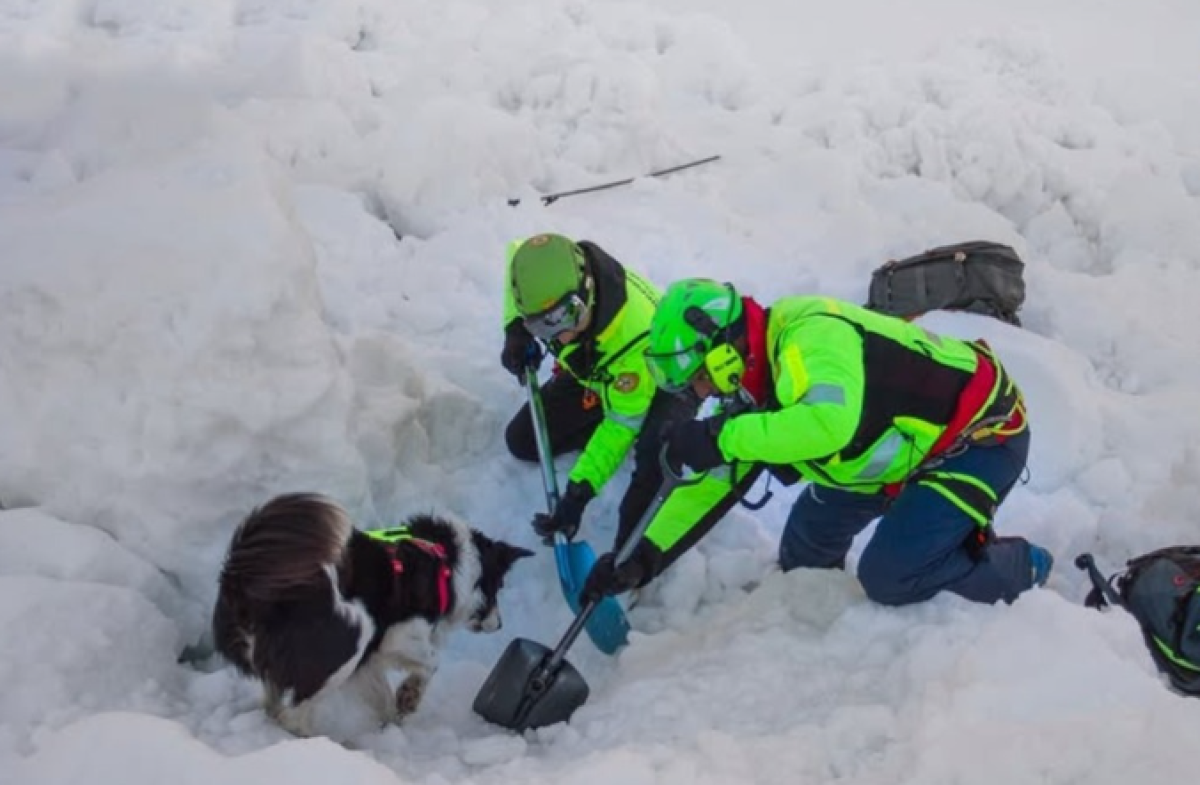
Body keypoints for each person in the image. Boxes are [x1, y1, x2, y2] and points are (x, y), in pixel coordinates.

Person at [581, 277, 1054, 607]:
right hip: (897, 453)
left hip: (978, 438)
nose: (703, 394)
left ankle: (1016, 566)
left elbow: (830, 424)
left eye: (701, 379)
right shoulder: (753, 382)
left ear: (723, 351)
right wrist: (643, 558)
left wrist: (723, 437)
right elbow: (717, 480)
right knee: (804, 557)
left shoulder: (809, 336)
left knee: (888, 578)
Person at [500, 234, 695, 547]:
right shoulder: (549, 280)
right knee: (523, 441)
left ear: (587, 290)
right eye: (540, 326)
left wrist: (579, 492)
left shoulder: (637, 339)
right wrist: (515, 329)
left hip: (661, 380)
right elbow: (515, 255)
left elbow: (621, 423)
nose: (559, 337)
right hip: (597, 372)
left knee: (654, 456)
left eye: (565, 317)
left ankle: (630, 559)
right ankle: (602, 422)